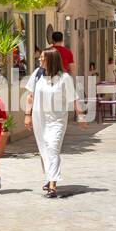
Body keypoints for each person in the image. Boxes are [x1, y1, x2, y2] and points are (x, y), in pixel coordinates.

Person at [23, 48, 85, 198]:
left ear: (50, 60)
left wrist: (81, 117)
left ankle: (52, 186)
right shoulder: (37, 74)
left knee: (53, 148)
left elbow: (74, 99)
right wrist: (27, 115)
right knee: (44, 149)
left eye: (42, 58)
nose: (39, 60)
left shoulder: (64, 78)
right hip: (40, 119)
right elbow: (30, 97)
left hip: (57, 120)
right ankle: (50, 178)